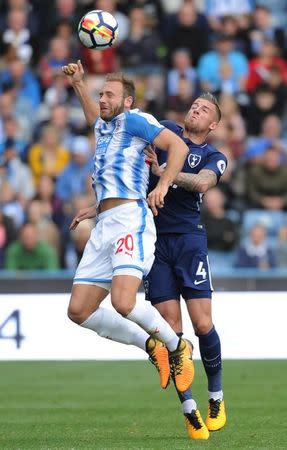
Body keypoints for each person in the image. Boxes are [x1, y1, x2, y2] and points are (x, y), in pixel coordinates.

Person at [61, 60, 194, 394]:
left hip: (130, 220)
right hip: (104, 223)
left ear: (128, 101)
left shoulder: (136, 121)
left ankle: (178, 347)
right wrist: (79, 84)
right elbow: (94, 118)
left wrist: (163, 184)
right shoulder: (106, 127)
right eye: (101, 93)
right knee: (78, 310)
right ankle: (152, 346)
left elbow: (178, 146)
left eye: (109, 94)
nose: (102, 99)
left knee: (124, 302)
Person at [144, 93, 227, 440]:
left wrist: (164, 174)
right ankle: (189, 410)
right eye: (195, 104)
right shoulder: (164, 132)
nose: (197, 108)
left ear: (213, 125)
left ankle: (216, 398)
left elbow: (203, 183)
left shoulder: (213, 156)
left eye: (205, 109)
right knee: (170, 332)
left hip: (189, 240)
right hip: (154, 240)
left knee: (203, 323)